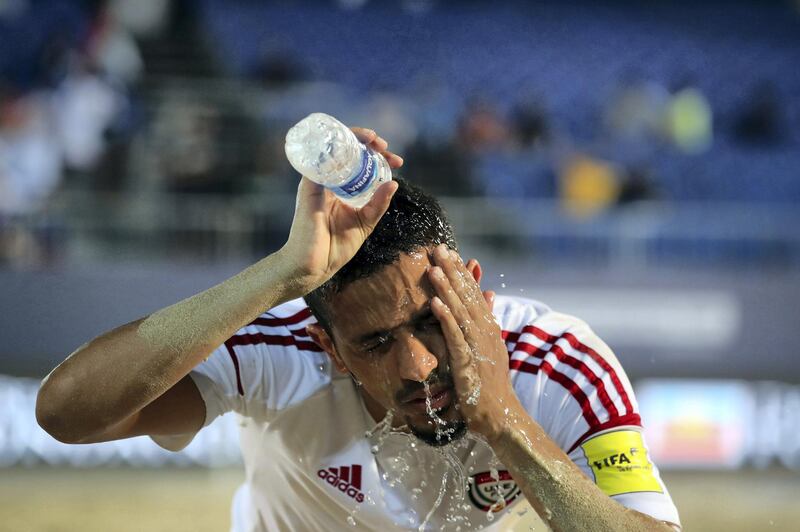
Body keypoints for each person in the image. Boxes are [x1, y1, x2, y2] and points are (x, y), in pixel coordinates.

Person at [36, 128, 681, 531]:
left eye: (433, 322)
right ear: (329, 346)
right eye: (374, 342)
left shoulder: (558, 365)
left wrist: (504, 420)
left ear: (477, 292)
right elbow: (66, 413)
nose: (418, 368)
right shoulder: (279, 344)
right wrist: (284, 275)